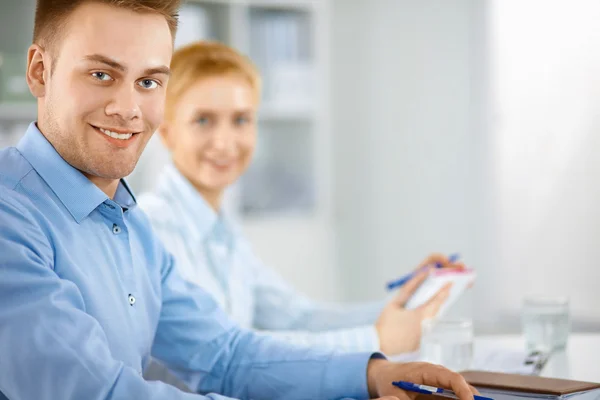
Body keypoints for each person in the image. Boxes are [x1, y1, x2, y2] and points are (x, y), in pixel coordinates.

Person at [0, 1, 477, 399]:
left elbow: (224, 353)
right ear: (40, 72)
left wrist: (370, 377)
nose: (128, 109)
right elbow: (96, 392)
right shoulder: (10, 217)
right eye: (102, 75)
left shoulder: (131, 227)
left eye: (148, 82)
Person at [139, 41, 465, 355]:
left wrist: (407, 302)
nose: (224, 142)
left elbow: (297, 317)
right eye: (203, 120)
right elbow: (226, 356)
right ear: (166, 132)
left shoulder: (222, 230)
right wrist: (376, 339)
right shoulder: (153, 228)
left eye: (241, 120)